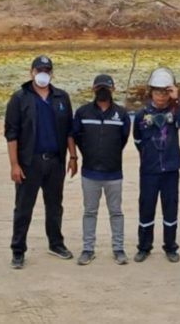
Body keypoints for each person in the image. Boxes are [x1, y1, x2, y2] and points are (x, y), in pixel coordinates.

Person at [4, 55, 77, 269]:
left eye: (47, 70)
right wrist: (14, 165)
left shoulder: (61, 98)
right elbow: (11, 134)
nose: (42, 74)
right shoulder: (19, 98)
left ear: (52, 73)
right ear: (31, 72)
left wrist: (72, 156)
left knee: (55, 206)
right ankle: (18, 250)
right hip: (29, 163)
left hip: (55, 161)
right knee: (23, 208)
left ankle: (56, 243)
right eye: (39, 70)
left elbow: (69, 131)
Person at [71, 74, 131, 266]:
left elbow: (122, 140)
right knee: (90, 212)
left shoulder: (121, 114)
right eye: (99, 88)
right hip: (90, 173)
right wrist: (86, 154)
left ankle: (118, 249)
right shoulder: (82, 113)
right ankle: (88, 249)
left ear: (113, 90)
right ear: (93, 89)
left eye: (106, 87)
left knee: (116, 212)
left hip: (114, 173)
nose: (103, 91)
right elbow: (77, 137)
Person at [133, 67, 180, 263]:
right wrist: (149, 157)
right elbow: (137, 140)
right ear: (151, 92)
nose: (161, 96)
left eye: (165, 92)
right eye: (158, 92)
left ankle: (170, 247)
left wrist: (177, 100)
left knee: (170, 209)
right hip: (149, 171)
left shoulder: (175, 111)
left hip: (171, 169)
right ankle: (144, 247)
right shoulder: (142, 115)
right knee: (146, 208)